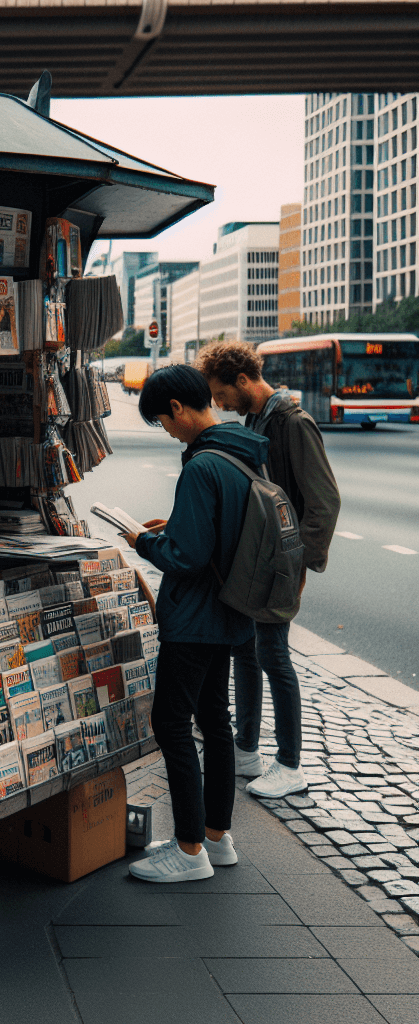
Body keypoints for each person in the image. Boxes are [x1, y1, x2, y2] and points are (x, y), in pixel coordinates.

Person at [122, 364, 268, 883]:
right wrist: (177, 526)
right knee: (215, 721)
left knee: (171, 724)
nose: (167, 430)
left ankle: (187, 852)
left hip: (195, 618)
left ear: (180, 409)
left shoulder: (203, 465)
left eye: (163, 421)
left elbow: (186, 554)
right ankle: (215, 836)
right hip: (231, 611)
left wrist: (143, 540)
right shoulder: (244, 455)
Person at [198, 341, 341, 799]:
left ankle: (290, 763)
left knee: (274, 656)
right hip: (258, 556)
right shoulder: (260, 420)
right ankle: (246, 749)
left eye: (221, 394)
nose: (219, 405)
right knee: (247, 650)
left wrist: (298, 563)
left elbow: (324, 502)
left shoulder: (293, 423)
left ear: (243, 381)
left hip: (280, 560)